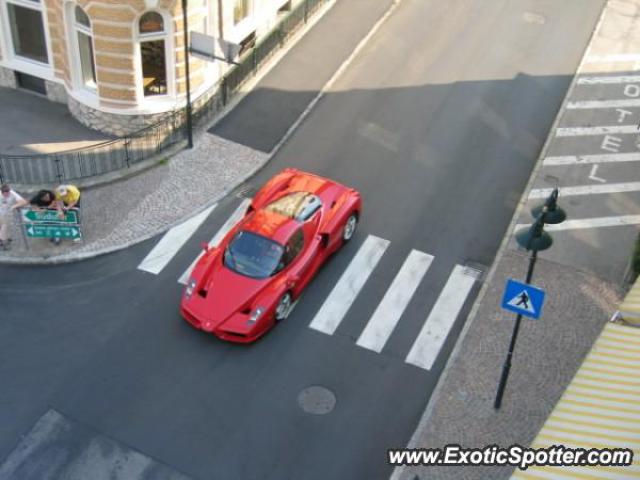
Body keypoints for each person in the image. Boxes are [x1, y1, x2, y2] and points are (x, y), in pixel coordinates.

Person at [0, 184, 28, 250]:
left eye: (8, 193)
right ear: (2, 192)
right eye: (5, 194)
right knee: (4, 229)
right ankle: (4, 244)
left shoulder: (12, 194)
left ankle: (4, 240)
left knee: (5, 228)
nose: (7, 195)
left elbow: (24, 202)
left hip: (6, 215)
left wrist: (14, 206)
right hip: (2, 214)